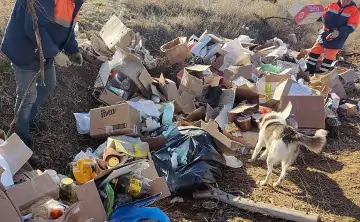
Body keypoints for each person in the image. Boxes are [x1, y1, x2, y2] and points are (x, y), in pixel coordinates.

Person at [1, 0, 84, 161]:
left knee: (48, 86)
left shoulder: (75, 1)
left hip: (44, 51)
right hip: (23, 49)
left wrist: (72, 49)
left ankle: (28, 119)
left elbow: (67, 27)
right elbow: (32, 27)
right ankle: (20, 141)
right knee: (27, 96)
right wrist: (55, 53)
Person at [306, 0, 359, 74]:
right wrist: (316, 16)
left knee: (329, 56)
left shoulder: (354, 10)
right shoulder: (332, 5)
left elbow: (352, 27)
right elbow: (323, 16)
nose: (346, 1)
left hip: (338, 37)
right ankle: (309, 70)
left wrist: (339, 32)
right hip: (325, 33)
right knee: (315, 50)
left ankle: (321, 75)